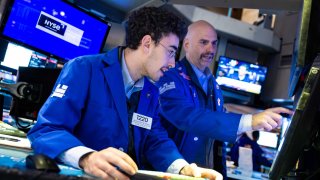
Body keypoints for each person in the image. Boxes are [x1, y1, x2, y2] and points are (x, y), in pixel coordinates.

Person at [27, 8, 222, 180]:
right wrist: (86, 158)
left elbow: (155, 140)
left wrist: (183, 168)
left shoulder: (153, 90)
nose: (172, 63)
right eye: (171, 52)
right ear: (147, 43)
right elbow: (47, 130)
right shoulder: (84, 68)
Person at [157, 20, 293, 178]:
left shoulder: (213, 83)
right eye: (203, 42)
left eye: (214, 43)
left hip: (207, 171)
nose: (211, 49)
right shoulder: (170, 77)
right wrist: (248, 120)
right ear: (186, 44)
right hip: (177, 171)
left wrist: (255, 124)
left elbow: (217, 128)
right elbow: (187, 116)